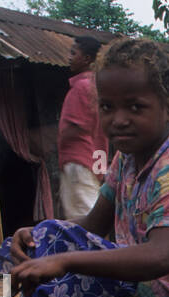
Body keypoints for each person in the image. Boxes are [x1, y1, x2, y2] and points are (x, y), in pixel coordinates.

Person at [0, 37, 169, 297]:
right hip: (144, 296)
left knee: (61, 265)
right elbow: (93, 226)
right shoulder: (126, 160)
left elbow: (159, 257)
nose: (119, 119)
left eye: (134, 107)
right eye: (107, 107)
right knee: (46, 238)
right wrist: (35, 234)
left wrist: (64, 261)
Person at [57, 36, 109, 217]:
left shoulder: (81, 87)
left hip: (77, 161)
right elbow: (101, 135)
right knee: (88, 214)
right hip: (93, 161)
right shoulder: (97, 88)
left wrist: (55, 144)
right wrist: (101, 170)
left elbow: (75, 128)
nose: (69, 57)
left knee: (84, 220)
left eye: (73, 53)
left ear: (87, 59)